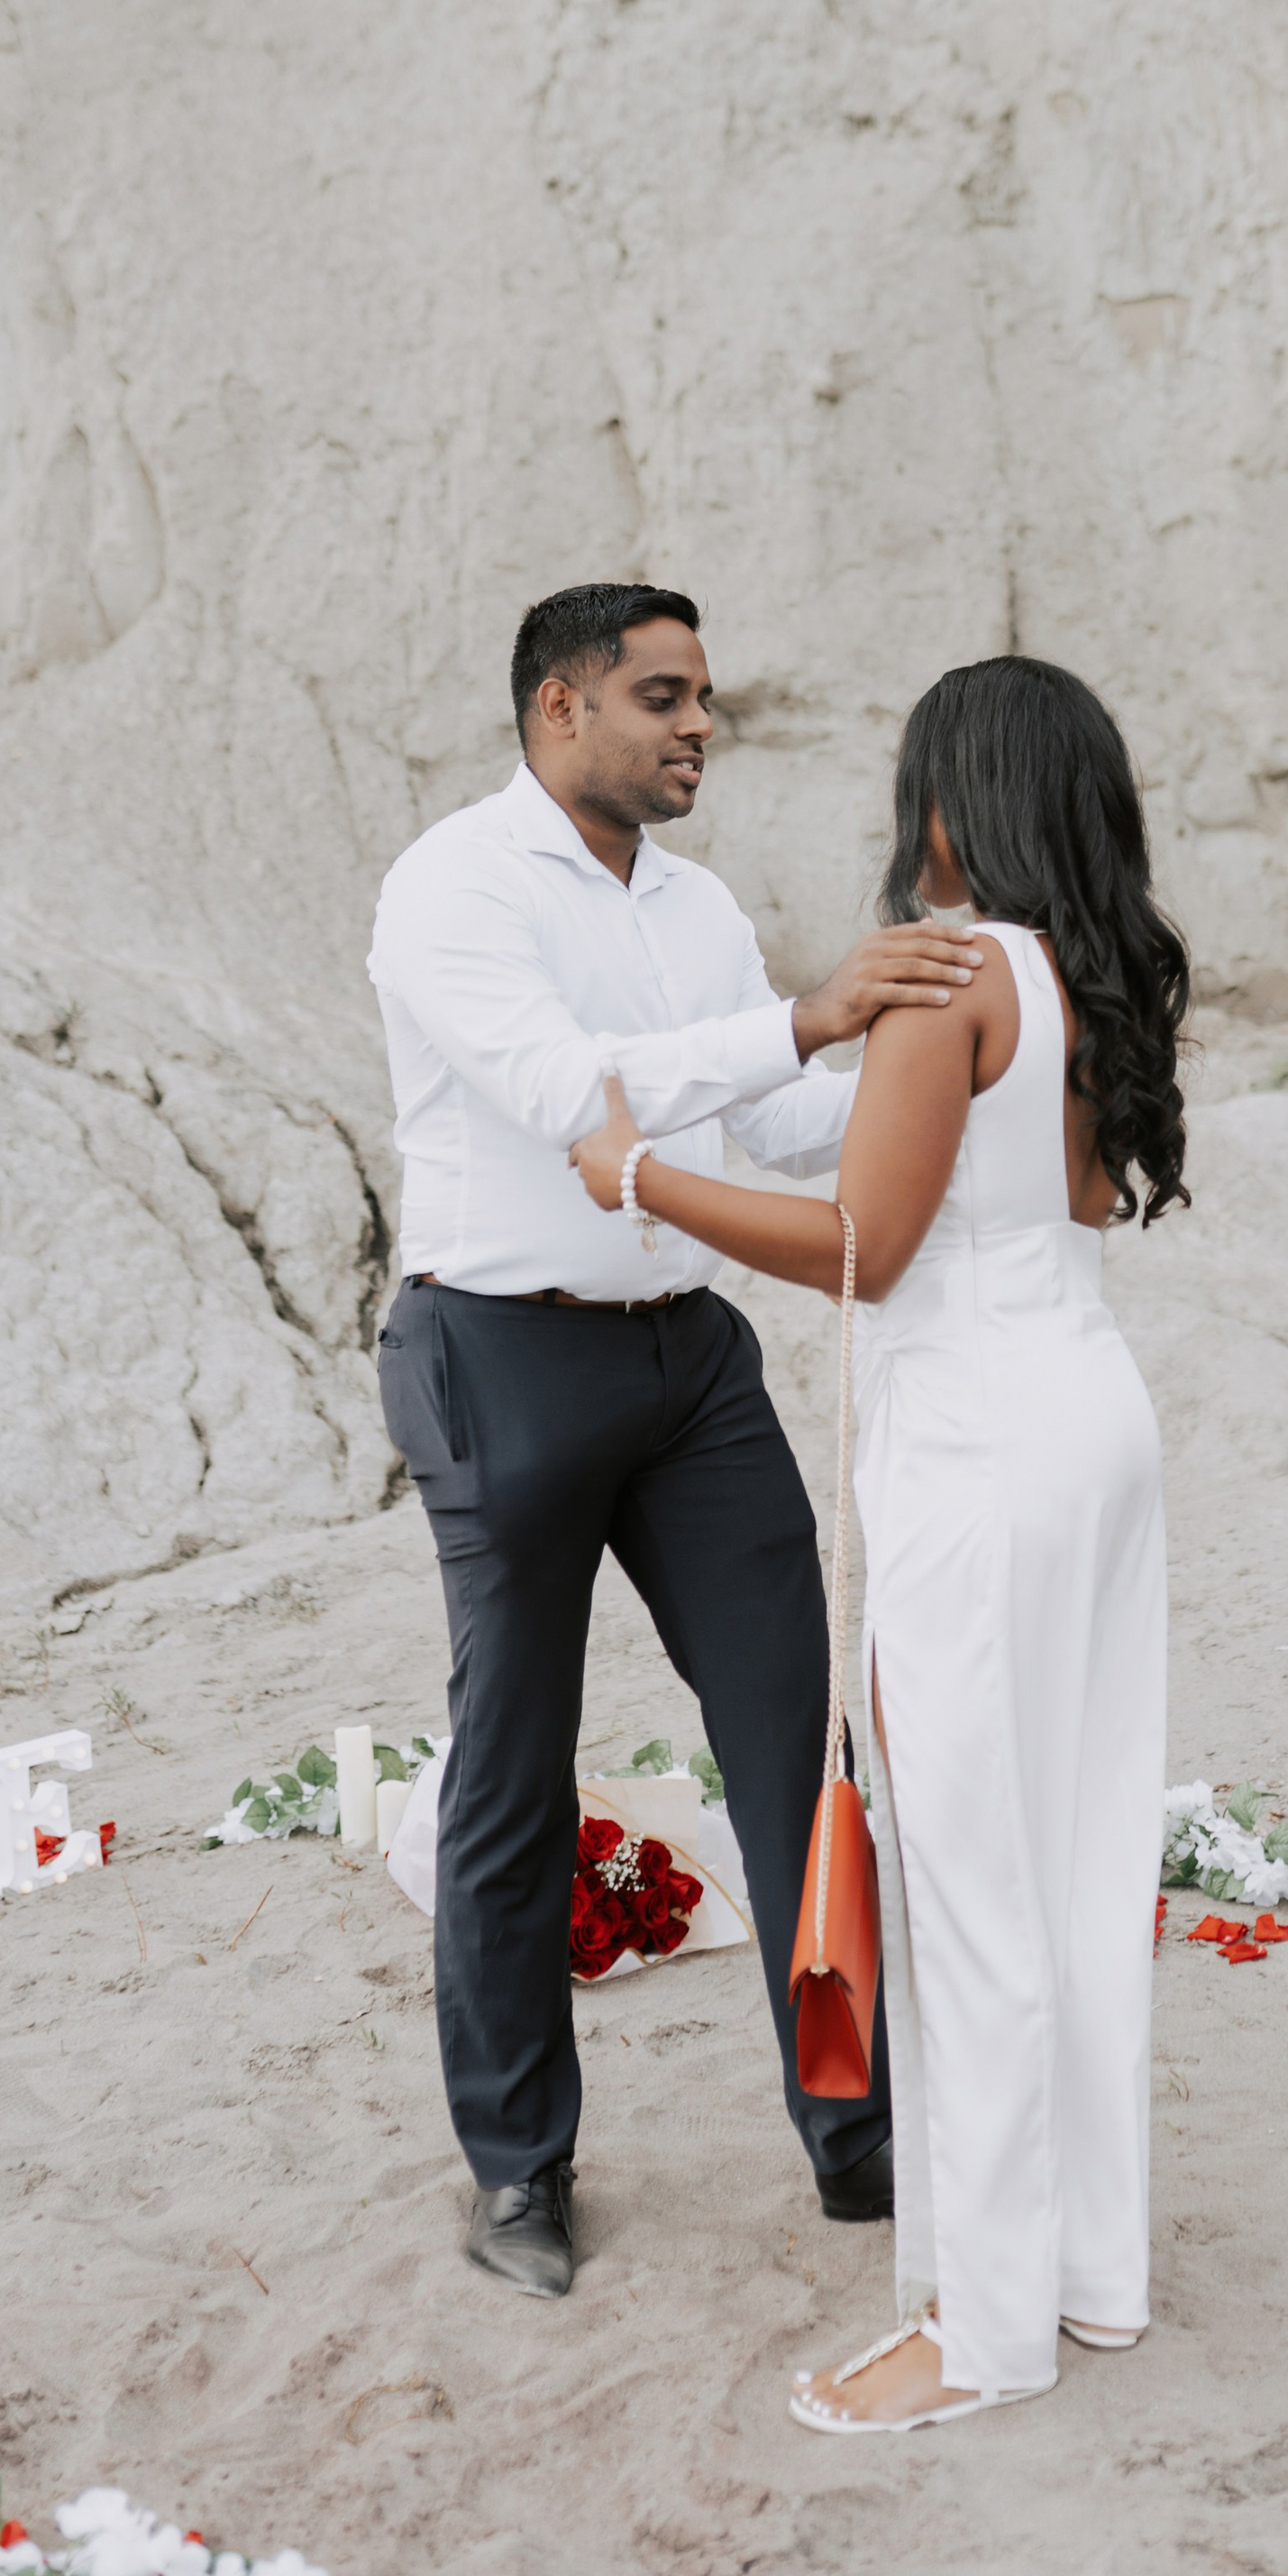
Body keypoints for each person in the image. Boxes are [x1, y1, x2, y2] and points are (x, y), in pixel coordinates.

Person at [570, 654, 1186, 2426]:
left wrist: (630, 1175)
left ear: (948, 800)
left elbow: (862, 1245)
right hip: (1092, 1425)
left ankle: (981, 2334)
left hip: (981, 1450)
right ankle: (1082, 2273)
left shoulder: (950, 977)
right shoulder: (1098, 970)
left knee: (970, 1892)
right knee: (1070, 1867)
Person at [368, 582, 987, 2298]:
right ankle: (518, 2175)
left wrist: (962, 1060)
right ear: (560, 709)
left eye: (704, 695)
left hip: (693, 1367)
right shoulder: (450, 887)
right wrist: (807, 1015)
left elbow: (779, 1118)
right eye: (663, 695)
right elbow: (580, 1096)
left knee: (806, 1735)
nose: (699, 722)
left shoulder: (700, 907)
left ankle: (857, 2141)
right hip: (500, 1354)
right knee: (514, 1770)